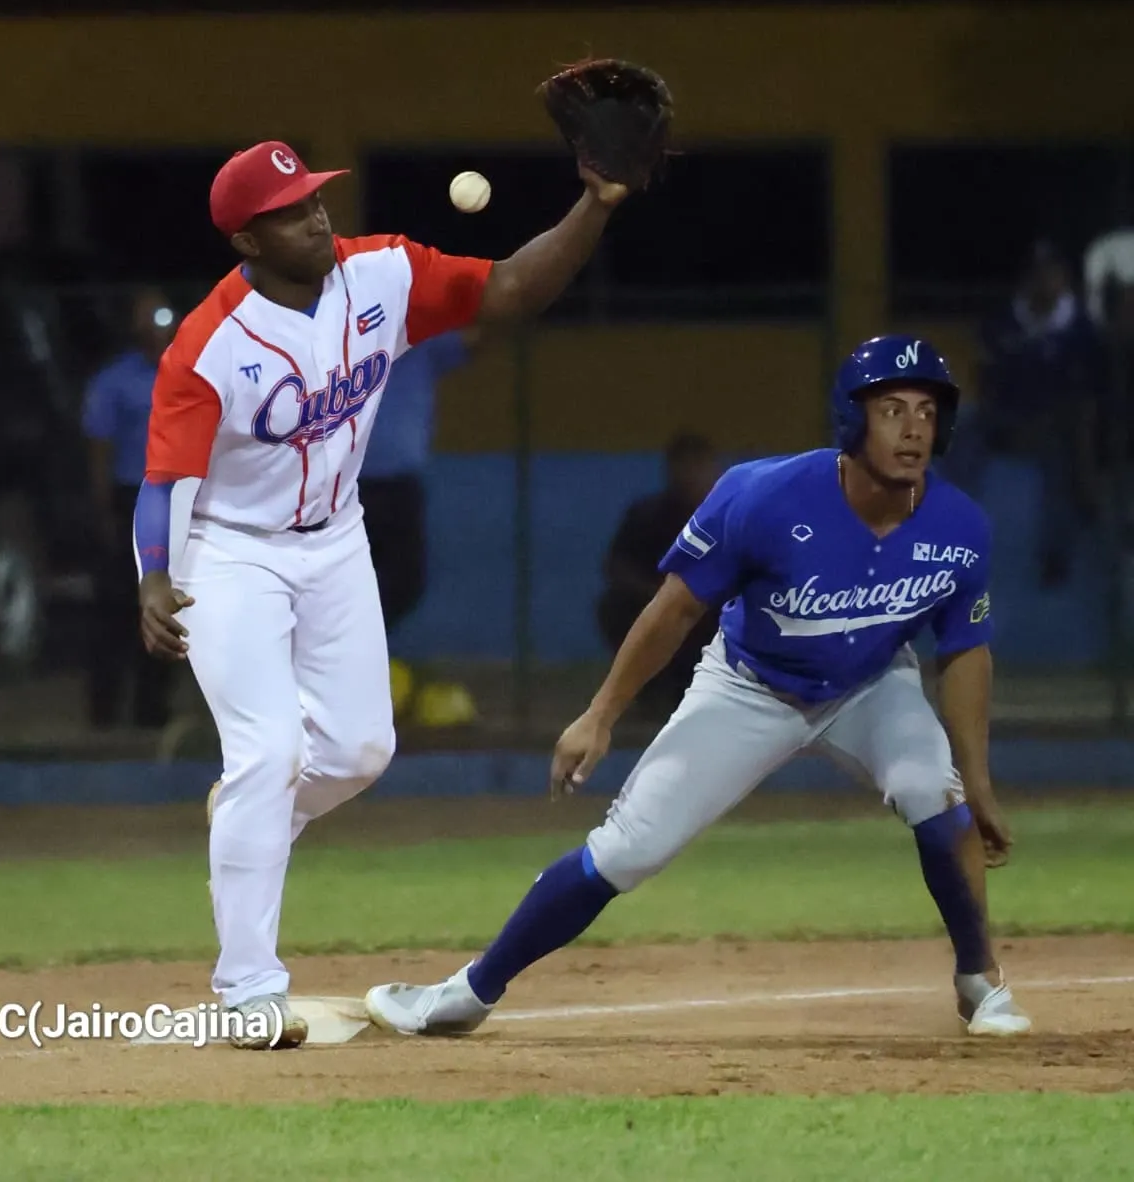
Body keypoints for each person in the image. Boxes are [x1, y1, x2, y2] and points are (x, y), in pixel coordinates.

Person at [365, 335, 1032, 1041]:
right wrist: (600, 714)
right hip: (749, 688)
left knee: (934, 791)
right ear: (852, 418)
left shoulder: (961, 527)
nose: (913, 427)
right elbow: (674, 610)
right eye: (892, 409)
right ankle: (467, 993)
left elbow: (965, 653)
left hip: (872, 686)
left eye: (927, 410)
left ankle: (980, 980)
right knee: (626, 850)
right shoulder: (763, 495)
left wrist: (978, 783)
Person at [134, 139, 635, 1049]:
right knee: (268, 749)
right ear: (246, 240)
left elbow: (510, 290)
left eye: (314, 198)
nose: (315, 216)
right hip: (231, 553)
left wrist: (595, 205)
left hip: (335, 539)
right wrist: (155, 577)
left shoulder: (382, 274)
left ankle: (251, 815)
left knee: (361, 750)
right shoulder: (209, 343)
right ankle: (248, 988)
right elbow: (166, 479)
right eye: (290, 212)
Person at [947, 240, 1101, 587]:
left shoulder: (1080, 328)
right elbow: (985, 380)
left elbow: (1084, 399)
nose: (1044, 281)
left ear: (1065, 279)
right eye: (1037, 274)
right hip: (1005, 417)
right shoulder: (1002, 321)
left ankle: (1055, 556)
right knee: (964, 435)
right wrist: (1004, 421)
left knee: (1062, 463)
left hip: (1056, 424)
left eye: (1052, 273)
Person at [359, 326, 480, 726]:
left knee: (406, 582)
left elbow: (479, 334)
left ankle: (347, 655)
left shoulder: (415, 337)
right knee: (333, 582)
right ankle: (331, 661)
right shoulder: (330, 331)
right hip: (339, 485)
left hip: (399, 486)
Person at [81, 288, 179, 729]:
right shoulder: (114, 380)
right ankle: (104, 708)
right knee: (116, 606)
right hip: (129, 499)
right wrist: (102, 509)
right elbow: (99, 447)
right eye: (146, 319)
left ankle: (152, 707)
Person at [596, 430, 722, 715]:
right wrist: (659, 595)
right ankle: (647, 693)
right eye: (684, 466)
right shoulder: (648, 514)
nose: (691, 475)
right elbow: (617, 565)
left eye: (699, 466)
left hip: (714, 612)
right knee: (615, 608)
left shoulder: (730, 517)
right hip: (655, 605)